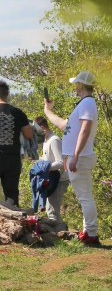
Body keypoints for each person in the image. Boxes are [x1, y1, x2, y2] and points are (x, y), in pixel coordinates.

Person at [44, 71, 99, 245]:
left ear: (81, 85)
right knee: (84, 196)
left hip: (80, 157)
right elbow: (63, 125)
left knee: (85, 197)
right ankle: (88, 231)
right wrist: (47, 111)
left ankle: (91, 234)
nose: (74, 87)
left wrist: (75, 156)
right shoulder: (84, 104)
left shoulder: (87, 103)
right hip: (80, 156)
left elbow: (85, 130)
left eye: (76, 84)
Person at [0, 79, 33, 207]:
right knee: (11, 195)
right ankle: (13, 217)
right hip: (12, 160)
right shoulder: (18, 113)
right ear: (7, 94)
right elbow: (29, 135)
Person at [34, 115, 69, 230]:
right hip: (52, 180)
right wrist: (36, 159)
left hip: (59, 181)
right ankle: (60, 233)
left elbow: (61, 163)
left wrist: (45, 168)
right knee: (51, 211)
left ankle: (61, 234)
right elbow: (48, 161)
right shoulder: (46, 141)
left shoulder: (54, 141)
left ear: (42, 128)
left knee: (53, 213)